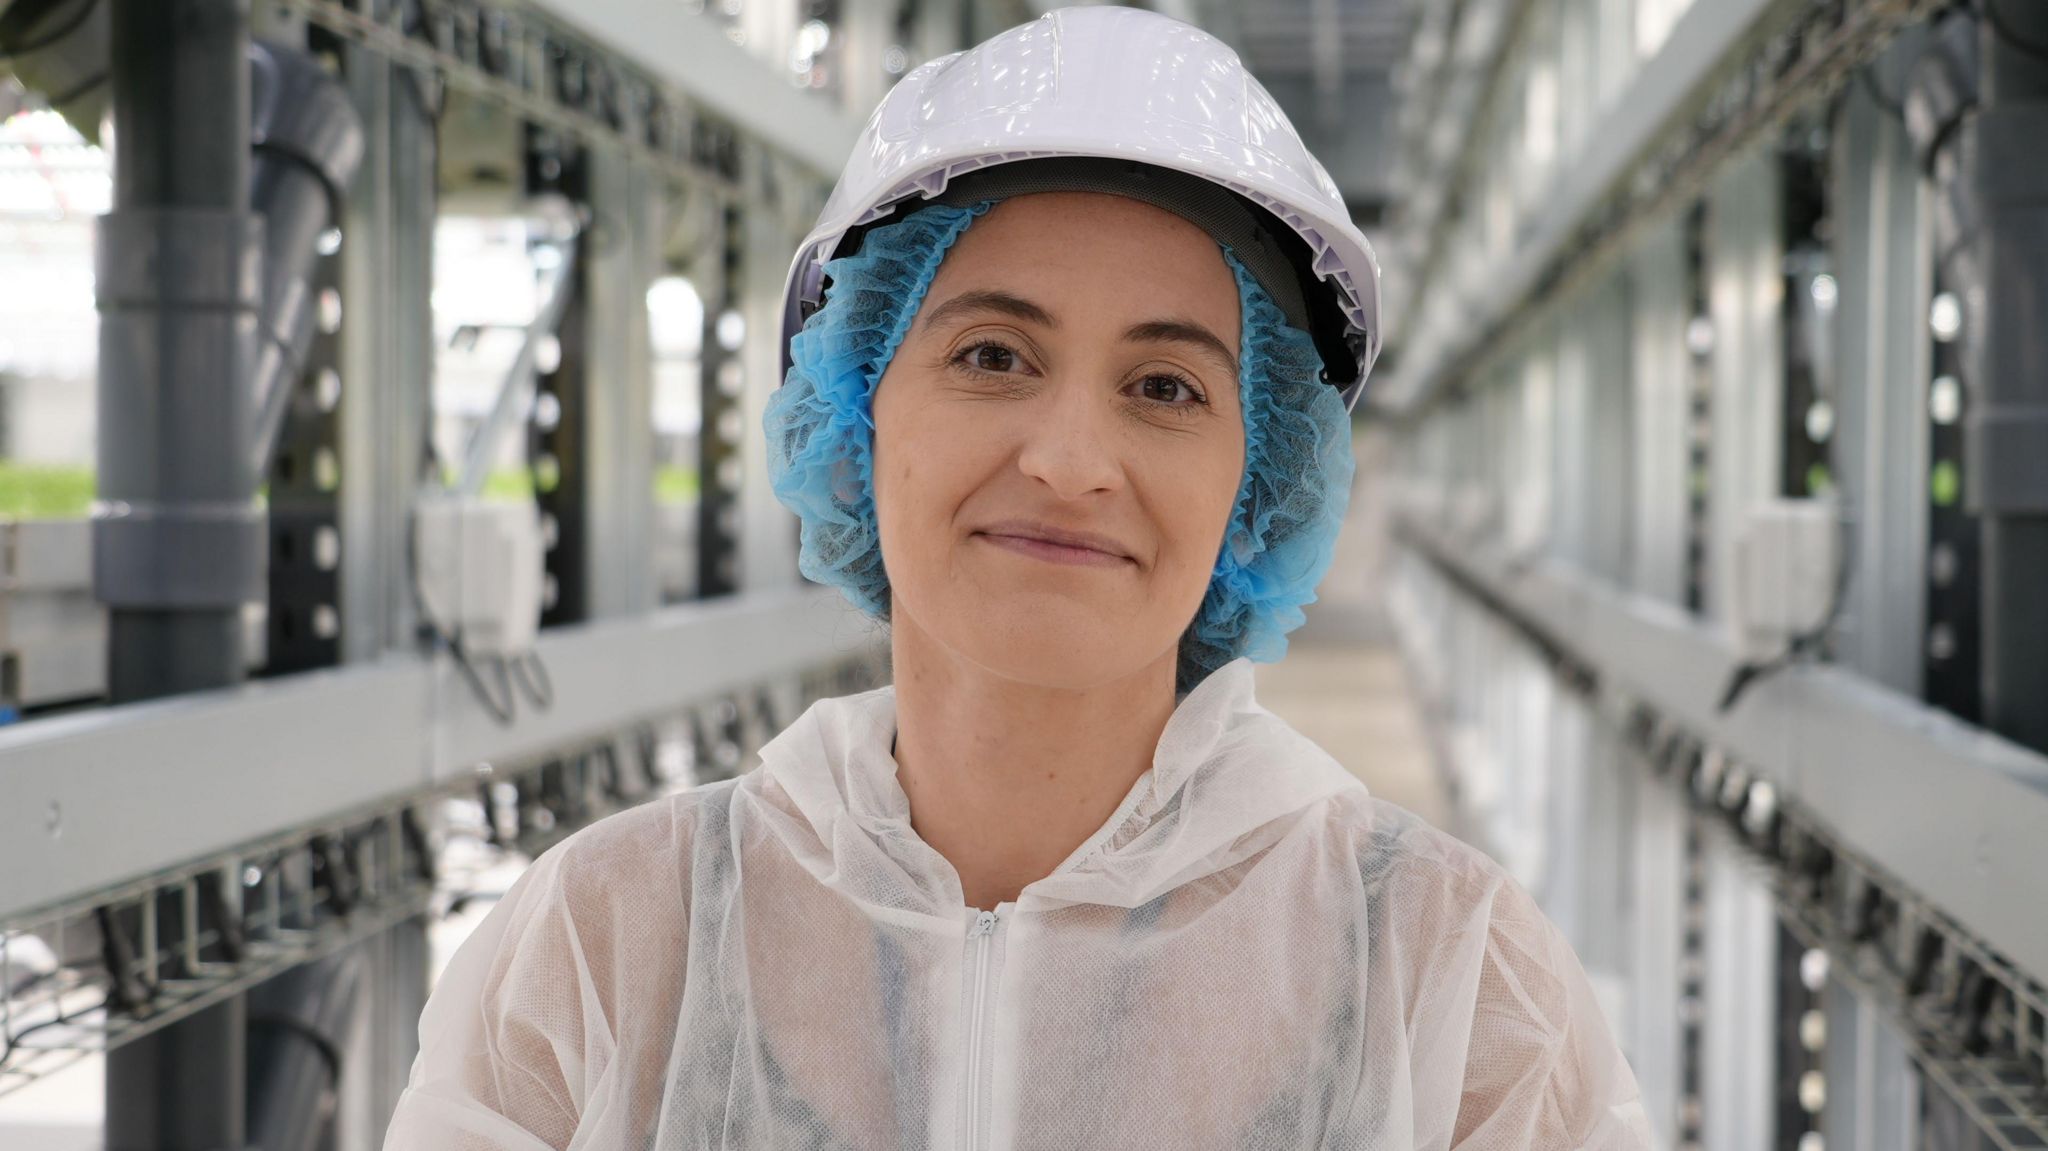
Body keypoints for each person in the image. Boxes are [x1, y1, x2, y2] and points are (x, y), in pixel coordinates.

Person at [383, 7, 1651, 1148]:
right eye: (992, 355)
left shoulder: (1451, 978)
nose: (1066, 460)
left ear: (1256, 481)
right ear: (854, 408)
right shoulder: (608, 940)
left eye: (1164, 387)